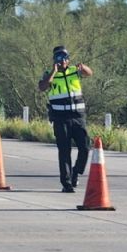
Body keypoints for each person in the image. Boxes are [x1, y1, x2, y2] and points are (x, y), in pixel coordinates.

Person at [38, 45, 94, 193]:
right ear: (54, 60)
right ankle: (67, 182)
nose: (61, 61)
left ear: (68, 60)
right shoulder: (49, 74)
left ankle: (76, 172)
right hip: (60, 118)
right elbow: (42, 87)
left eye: (64, 58)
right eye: (58, 58)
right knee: (64, 151)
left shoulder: (74, 71)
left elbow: (89, 73)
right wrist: (53, 72)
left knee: (85, 147)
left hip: (78, 116)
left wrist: (83, 67)